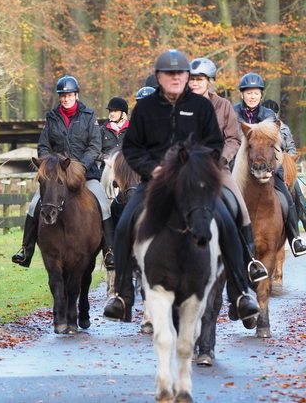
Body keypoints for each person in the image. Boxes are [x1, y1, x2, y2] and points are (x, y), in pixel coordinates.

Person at [103, 49, 259, 325]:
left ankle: (240, 291)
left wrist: (204, 164)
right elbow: (132, 148)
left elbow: (215, 141)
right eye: (169, 74)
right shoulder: (146, 108)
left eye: (182, 74)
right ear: (159, 77)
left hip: (198, 176)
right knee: (126, 221)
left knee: (228, 217)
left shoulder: (202, 107)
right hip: (156, 179)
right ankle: (123, 295)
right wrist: (152, 168)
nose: (178, 79)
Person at [12, 75, 116, 269]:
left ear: (76, 95)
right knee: (34, 204)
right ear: (59, 97)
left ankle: (110, 252)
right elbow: (43, 146)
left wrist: (80, 168)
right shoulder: (52, 117)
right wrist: (51, 165)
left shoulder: (88, 115)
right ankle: (26, 250)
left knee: (102, 205)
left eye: (69, 95)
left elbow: (94, 146)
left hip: (85, 174)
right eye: (63, 96)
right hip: (57, 176)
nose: (66, 98)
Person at [188, 57, 267, 283]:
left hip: (216, 167)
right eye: (192, 79)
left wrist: (221, 158)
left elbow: (233, 139)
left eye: (200, 80)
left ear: (209, 81)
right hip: (186, 167)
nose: (195, 83)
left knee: (240, 207)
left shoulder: (222, 105)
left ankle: (250, 262)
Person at [233, 73, 306, 257]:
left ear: (261, 95)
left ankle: (294, 238)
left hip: (267, 164)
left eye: (256, 93)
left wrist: (272, 165)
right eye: (249, 93)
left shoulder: (268, 115)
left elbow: (276, 143)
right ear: (242, 94)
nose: (252, 96)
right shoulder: (232, 112)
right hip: (238, 164)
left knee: (286, 196)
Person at [262, 98, 306, 233]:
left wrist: (288, 161)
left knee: (295, 187)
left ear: (276, 114)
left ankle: (305, 218)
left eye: (273, 113)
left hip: (282, 163)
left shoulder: (284, 128)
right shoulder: (260, 128)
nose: (271, 115)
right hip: (264, 164)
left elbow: (291, 148)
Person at [98, 97, 129, 166]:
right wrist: (104, 157)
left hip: (126, 169)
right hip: (107, 167)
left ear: (123, 113)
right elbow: (95, 150)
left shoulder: (132, 130)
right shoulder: (102, 130)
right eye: (111, 111)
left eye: (115, 111)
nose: (112, 114)